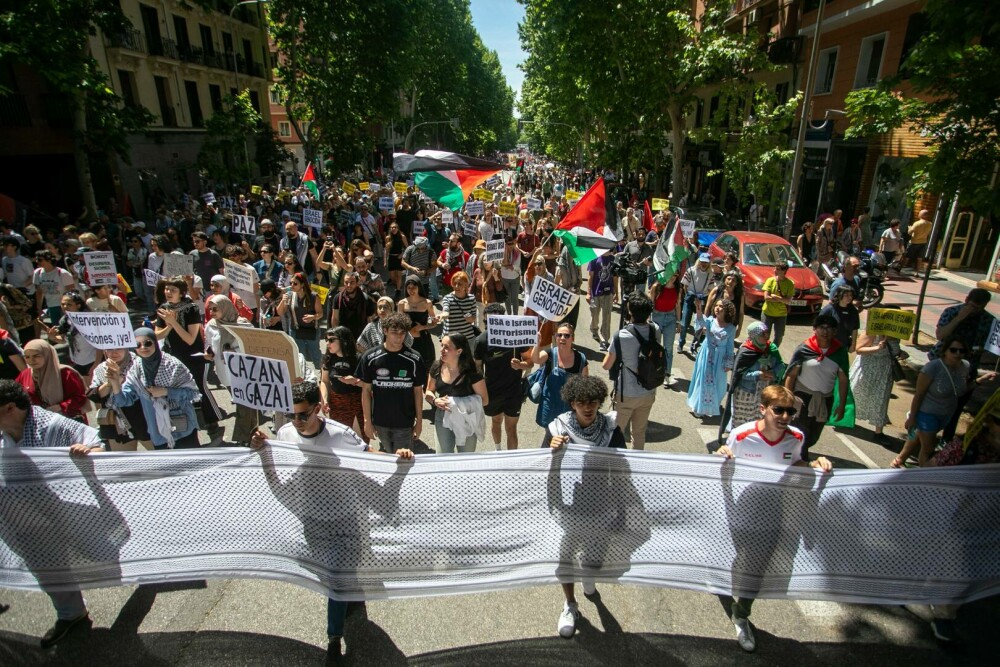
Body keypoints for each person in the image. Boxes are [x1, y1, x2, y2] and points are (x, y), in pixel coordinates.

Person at [248, 380, 413, 657]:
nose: (297, 421)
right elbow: (278, 467)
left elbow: (371, 457)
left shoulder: (340, 435)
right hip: (312, 524)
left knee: (338, 578)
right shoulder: (286, 433)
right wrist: (260, 448)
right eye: (292, 415)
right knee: (335, 577)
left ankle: (334, 639)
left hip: (347, 521)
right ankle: (349, 598)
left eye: (304, 414)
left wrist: (398, 459)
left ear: (318, 409)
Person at [715, 384, 833, 652]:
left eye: (789, 412)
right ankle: (721, 575)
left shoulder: (797, 437)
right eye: (778, 410)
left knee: (757, 563)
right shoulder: (741, 435)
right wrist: (721, 454)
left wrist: (817, 465)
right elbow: (724, 464)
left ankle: (741, 613)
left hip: (774, 508)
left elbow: (799, 464)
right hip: (742, 505)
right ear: (763, 409)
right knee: (735, 553)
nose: (784, 417)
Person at [0, 379, 106, 648]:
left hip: (56, 513)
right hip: (17, 518)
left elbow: (97, 443)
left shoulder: (52, 425)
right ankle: (71, 614)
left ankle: (143, 587)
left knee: (95, 560)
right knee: (45, 569)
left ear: (10, 407)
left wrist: (89, 451)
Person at [542, 374, 626, 638]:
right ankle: (570, 604)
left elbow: (622, 469)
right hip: (567, 508)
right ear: (572, 403)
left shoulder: (611, 430)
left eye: (592, 402)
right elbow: (543, 466)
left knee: (593, 559)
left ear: (600, 402)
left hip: (602, 507)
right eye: (581, 402)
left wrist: (622, 511)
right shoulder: (557, 429)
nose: (587, 408)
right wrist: (551, 449)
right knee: (565, 560)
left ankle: (589, 578)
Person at [154, 276, 224, 445]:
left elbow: (190, 339)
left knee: (199, 390)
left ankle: (213, 426)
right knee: (179, 393)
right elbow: (157, 335)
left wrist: (173, 322)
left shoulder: (191, 308)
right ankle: (188, 429)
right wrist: (169, 324)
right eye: (167, 289)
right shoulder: (163, 309)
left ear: (182, 292)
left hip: (193, 357)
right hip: (173, 357)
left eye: (173, 290)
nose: (168, 293)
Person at [107, 328, 201, 449]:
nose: (143, 347)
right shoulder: (136, 369)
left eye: (148, 343)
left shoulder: (173, 365)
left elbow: (194, 394)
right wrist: (115, 384)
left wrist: (166, 392)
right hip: (158, 432)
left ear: (155, 343)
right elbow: (123, 401)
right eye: (137, 344)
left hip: (182, 429)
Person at [929, 288, 996, 440]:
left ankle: (946, 440)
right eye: (971, 306)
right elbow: (941, 335)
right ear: (966, 300)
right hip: (941, 365)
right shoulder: (951, 312)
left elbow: (989, 348)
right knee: (931, 402)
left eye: (978, 308)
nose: (973, 311)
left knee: (956, 407)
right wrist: (959, 318)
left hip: (967, 368)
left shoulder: (988, 320)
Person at [783, 313, 853, 459]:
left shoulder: (839, 352)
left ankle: (800, 452)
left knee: (814, 435)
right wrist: (788, 399)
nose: (825, 332)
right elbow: (791, 375)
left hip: (825, 399)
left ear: (835, 331)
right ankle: (800, 460)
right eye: (822, 327)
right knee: (799, 431)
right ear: (814, 329)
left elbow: (843, 379)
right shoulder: (804, 349)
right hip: (801, 397)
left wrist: (841, 405)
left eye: (829, 328)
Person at [897, 335, 972, 467]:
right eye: (953, 350)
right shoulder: (932, 368)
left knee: (918, 435)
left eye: (962, 351)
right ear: (945, 351)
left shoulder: (965, 366)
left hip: (946, 414)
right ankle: (924, 479)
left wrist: (979, 382)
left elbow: (961, 390)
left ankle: (899, 460)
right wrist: (912, 417)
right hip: (927, 413)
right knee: (928, 449)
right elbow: (919, 394)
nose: (958, 353)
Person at [357, 312, 426, 453]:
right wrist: (367, 422)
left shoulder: (414, 359)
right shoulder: (369, 357)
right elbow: (365, 391)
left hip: (404, 422)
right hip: (380, 421)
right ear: (385, 331)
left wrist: (419, 421)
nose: (399, 336)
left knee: (402, 460)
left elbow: (418, 392)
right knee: (387, 457)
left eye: (403, 332)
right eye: (394, 332)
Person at [602, 291, 659, 450]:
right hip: (648, 391)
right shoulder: (656, 330)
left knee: (616, 433)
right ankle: (636, 462)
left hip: (626, 394)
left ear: (630, 312)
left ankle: (614, 464)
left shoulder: (621, 336)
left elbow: (606, 365)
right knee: (639, 432)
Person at [474, 302, 531, 450]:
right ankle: (498, 450)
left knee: (511, 428)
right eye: (486, 322)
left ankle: (511, 459)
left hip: (513, 391)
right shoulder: (481, 340)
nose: (489, 325)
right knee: (496, 421)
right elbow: (477, 368)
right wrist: (479, 392)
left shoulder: (516, 335)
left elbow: (530, 361)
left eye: (494, 321)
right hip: (492, 391)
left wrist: (521, 365)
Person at [204, 295, 257, 445]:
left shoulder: (243, 325)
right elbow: (209, 344)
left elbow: (253, 347)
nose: (212, 312)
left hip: (244, 372)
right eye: (210, 309)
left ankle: (243, 438)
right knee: (247, 406)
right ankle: (252, 433)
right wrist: (209, 353)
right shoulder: (211, 326)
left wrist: (235, 351)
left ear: (225, 308)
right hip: (225, 374)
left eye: (216, 309)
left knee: (244, 405)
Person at [425, 333, 488, 453]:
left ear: (459, 351)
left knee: (466, 459)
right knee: (443, 457)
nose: (442, 350)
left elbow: (484, 400)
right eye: (441, 345)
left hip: (466, 418)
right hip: (442, 416)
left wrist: (458, 403)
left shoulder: (472, 372)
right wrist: (434, 400)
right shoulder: (437, 367)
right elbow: (429, 391)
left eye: (447, 347)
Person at [87, 347, 151, 451]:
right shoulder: (101, 368)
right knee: (123, 463)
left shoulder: (139, 363)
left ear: (126, 347)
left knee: (159, 456)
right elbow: (95, 396)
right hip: (115, 421)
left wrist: (121, 381)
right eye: (109, 349)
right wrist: (109, 383)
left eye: (119, 348)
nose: (114, 352)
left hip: (142, 417)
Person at [16, 339, 90, 422]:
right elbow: (16, 396)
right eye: (27, 357)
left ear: (47, 355)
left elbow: (80, 397)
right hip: (41, 423)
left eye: (36, 356)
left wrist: (59, 407)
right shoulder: (25, 375)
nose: (31, 360)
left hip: (69, 421)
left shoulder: (65, 373)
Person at [532, 322, 590, 427]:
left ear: (573, 338)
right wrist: (537, 344)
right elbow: (536, 359)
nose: (562, 338)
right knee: (551, 437)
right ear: (556, 337)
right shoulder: (550, 353)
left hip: (570, 409)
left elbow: (585, 387)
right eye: (559, 335)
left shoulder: (581, 359)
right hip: (550, 406)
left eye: (567, 335)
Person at [687, 299, 737, 418]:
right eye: (717, 306)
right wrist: (699, 310)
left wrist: (728, 363)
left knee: (720, 384)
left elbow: (730, 346)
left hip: (720, 358)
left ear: (727, 311)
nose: (717, 308)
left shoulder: (731, 328)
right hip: (706, 354)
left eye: (721, 307)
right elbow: (700, 322)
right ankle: (698, 407)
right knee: (702, 380)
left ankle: (712, 405)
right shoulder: (710, 321)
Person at [849, 328, 900, 438]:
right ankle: (842, 417)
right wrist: (877, 347)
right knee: (855, 394)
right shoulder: (872, 330)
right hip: (867, 369)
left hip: (885, 372)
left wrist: (900, 353)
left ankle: (878, 432)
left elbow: (894, 350)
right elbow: (859, 349)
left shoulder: (896, 333)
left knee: (881, 400)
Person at [320, 326, 366, 442]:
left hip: (356, 402)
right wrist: (324, 400)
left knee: (358, 441)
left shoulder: (358, 358)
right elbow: (324, 381)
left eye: (331, 340)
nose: (327, 343)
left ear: (343, 340)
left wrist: (355, 381)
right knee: (339, 440)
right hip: (336, 403)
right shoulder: (328, 359)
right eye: (326, 340)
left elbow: (369, 385)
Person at [46, 292, 102, 383]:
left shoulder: (88, 320)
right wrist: (53, 337)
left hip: (91, 361)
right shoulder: (65, 320)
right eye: (63, 304)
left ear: (78, 305)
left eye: (69, 304)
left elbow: (100, 344)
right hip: (76, 361)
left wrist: (96, 365)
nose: (65, 307)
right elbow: (64, 340)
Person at [277, 271, 324, 369]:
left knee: (316, 355)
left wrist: (313, 317)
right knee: (299, 357)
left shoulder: (314, 296)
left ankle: (322, 377)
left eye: (295, 283)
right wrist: (282, 301)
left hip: (312, 330)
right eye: (291, 283)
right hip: (296, 330)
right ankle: (302, 379)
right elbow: (280, 312)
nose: (292, 285)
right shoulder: (290, 296)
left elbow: (320, 314)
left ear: (302, 284)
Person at [398, 275, 437, 366]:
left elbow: (434, 323)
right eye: (409, 288)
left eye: (414, 287)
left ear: (418, 287)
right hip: (407, 339)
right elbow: (399, 323)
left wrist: (423, 327)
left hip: (423, 339)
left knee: (425, 365)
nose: (411, 290)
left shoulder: (427, 303)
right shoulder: (402, 303)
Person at [678, 253, 712, 354]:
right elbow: (685, 286)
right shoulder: (691, 270)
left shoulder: (710, 274)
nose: (703, 264)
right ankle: (681, 343)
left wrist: (701, 298)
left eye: (706, 262)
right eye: (702, 261)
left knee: (699, 325)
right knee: (684, 323)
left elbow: (710, 289)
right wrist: (690, 295)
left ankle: (694, 345)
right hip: (690, 297)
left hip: (702, 299)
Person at [33, 250, 75, 328]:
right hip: (51, 305)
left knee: (68, 327)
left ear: (49, 260)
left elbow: (71, 291)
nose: (37, 262)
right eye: (36, 260)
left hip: (65, 306)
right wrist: (38, 308)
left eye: (40, 260)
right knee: (57, 328)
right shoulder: (37, 273)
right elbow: (39, 292)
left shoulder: (62, 273)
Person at [330, 272, 376, 342]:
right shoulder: (338, 298)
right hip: (343, 337)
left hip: (361, 338)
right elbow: (335, 318)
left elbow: (370, 321)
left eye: (352, 282)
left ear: (357, 283)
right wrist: (335, 336)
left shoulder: (366, 299)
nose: (349, 285)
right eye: (346, 282)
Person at [586, 249, 616, 351]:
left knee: (607, 316)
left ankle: (604, 340)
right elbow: (590, 276)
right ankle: (594, 329)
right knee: (595, 314)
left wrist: (616, 292)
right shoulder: (594, 258)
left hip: (608, 293)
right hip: (595, 293)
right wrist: (588, 293)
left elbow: (615, 277)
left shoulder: (613, 259)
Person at [760, 263, 794, 348]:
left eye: (778, 269)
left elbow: (788, 301)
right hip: (767, 313)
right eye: (775, 268)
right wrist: (782, 300)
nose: (775, 271)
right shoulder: (770, 281)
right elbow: (766, 297)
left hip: (781, 315)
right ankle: (762, 351)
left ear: (784, 271)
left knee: (779, 336)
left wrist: (775, 297)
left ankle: (772, 351)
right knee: (764, 335)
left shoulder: (790, 283)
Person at [819, 284, 861, 353]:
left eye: (851, 295)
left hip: (843, 346)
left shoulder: (853, 311)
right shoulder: (829, 309)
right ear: (839, 295)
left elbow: (855, 329)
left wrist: (853, 345)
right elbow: (818, 327)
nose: (849, 297)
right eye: (846, 295)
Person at [439, 270, 478, 339]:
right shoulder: (447, 298)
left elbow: (473, 317)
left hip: (467, 337)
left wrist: (470, 319)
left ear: (466, 284)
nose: (456, 286)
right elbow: (446, 311)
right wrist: (441, 316)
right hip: (450, 338)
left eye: (460, 284)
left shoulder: (472, 298)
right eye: (454, 283)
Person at [900, 208, 932, 273]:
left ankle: (900, 269)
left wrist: (909, 228)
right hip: (923, 242)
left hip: (914, 242)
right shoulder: (930, 224)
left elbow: (909, 232)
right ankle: (917, 272)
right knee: (919, 258)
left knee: (907, 256)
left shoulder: (917, 223)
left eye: (919, 213)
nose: (918, 214)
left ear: (922, 215)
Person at [384, 220, 408, 297]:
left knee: (399, 276)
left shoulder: (402, 236)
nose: (393, 229)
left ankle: (398, 290)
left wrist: (402, 254)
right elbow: (386, 250)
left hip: (399, 258)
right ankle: (397, 284)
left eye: (395, 227)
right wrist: (385, 261)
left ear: (397, 228)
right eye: (391, 228)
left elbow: (408, 248)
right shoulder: (388, 238)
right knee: (392, 277)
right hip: (391, 257)